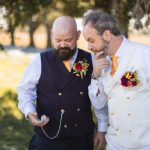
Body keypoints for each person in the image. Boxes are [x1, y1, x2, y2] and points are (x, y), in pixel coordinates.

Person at [17, 16, 108, 150]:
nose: (63, 45)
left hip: (81, 139)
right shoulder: (39, 61)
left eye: (68, 40)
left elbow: (101, 99)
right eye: (58, 40)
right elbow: (25, 91)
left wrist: (102, 128)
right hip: (47, 139)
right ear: (52, 35)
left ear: (77, 36)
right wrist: (30, 112)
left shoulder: (93, 60)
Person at [82, 10, 150, 150]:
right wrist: (95, 76)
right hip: (115, 144)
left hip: (144, 144)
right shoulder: (101, 63)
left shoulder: (144, 54)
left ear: (107, 34)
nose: (89, 47)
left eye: (91, 40)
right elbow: (99, 105)